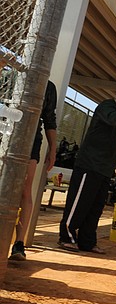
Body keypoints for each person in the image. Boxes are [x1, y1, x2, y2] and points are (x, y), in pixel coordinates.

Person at [59, 85, 116, 254]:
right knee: (80, 202)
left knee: (96, 207)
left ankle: (87, 241)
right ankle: (66, 236)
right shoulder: (106, 107)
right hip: (90, 164)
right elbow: (112, 120)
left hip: (106, 169)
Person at [9, 80, 58, 261]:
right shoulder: (14, 72)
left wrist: (53, 148)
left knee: (25, 189)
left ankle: (19, 243)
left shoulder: (48, 86)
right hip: (6, 130)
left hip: (31, 138)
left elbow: (49, 118)